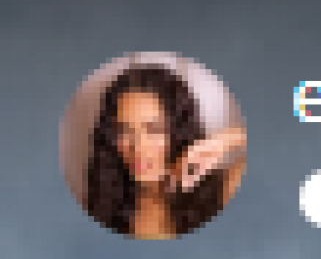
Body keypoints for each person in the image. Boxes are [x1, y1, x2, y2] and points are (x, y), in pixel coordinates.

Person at [82, 62, 245, 238]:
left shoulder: (224, 188)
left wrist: (219, 143)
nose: (138, 147)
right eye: (124, 131)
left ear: (178, 130)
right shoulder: (100, 206)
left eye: (153, 130)